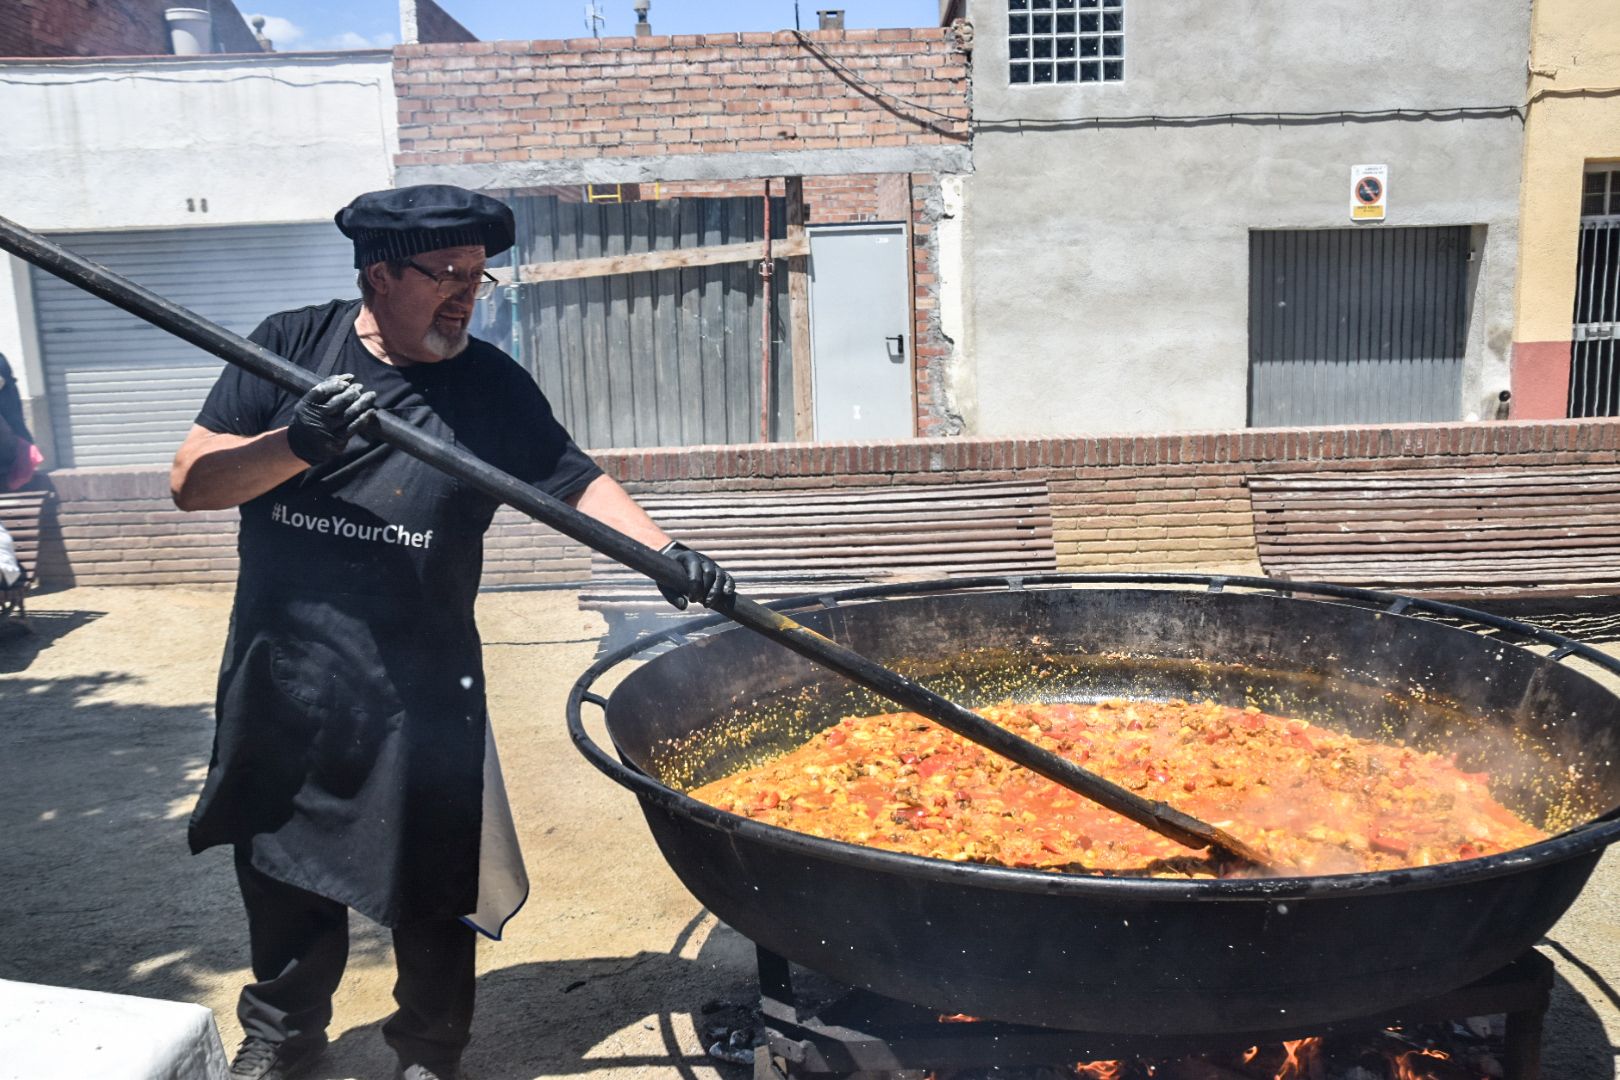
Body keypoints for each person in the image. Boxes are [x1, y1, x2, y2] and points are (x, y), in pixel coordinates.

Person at [170, 185, 735, 1080]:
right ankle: (283, 1038)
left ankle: (430, 1052)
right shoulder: (287, 346)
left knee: (434, 882)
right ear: (380, 274)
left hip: (419, 682)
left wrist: (666, 554)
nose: (469, 294)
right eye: (447, 275)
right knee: (278, 868)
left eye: (480, 276)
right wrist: (295, 443)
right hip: (287, 672)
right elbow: (194, 481)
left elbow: (574, 484)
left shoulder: (487, 385)